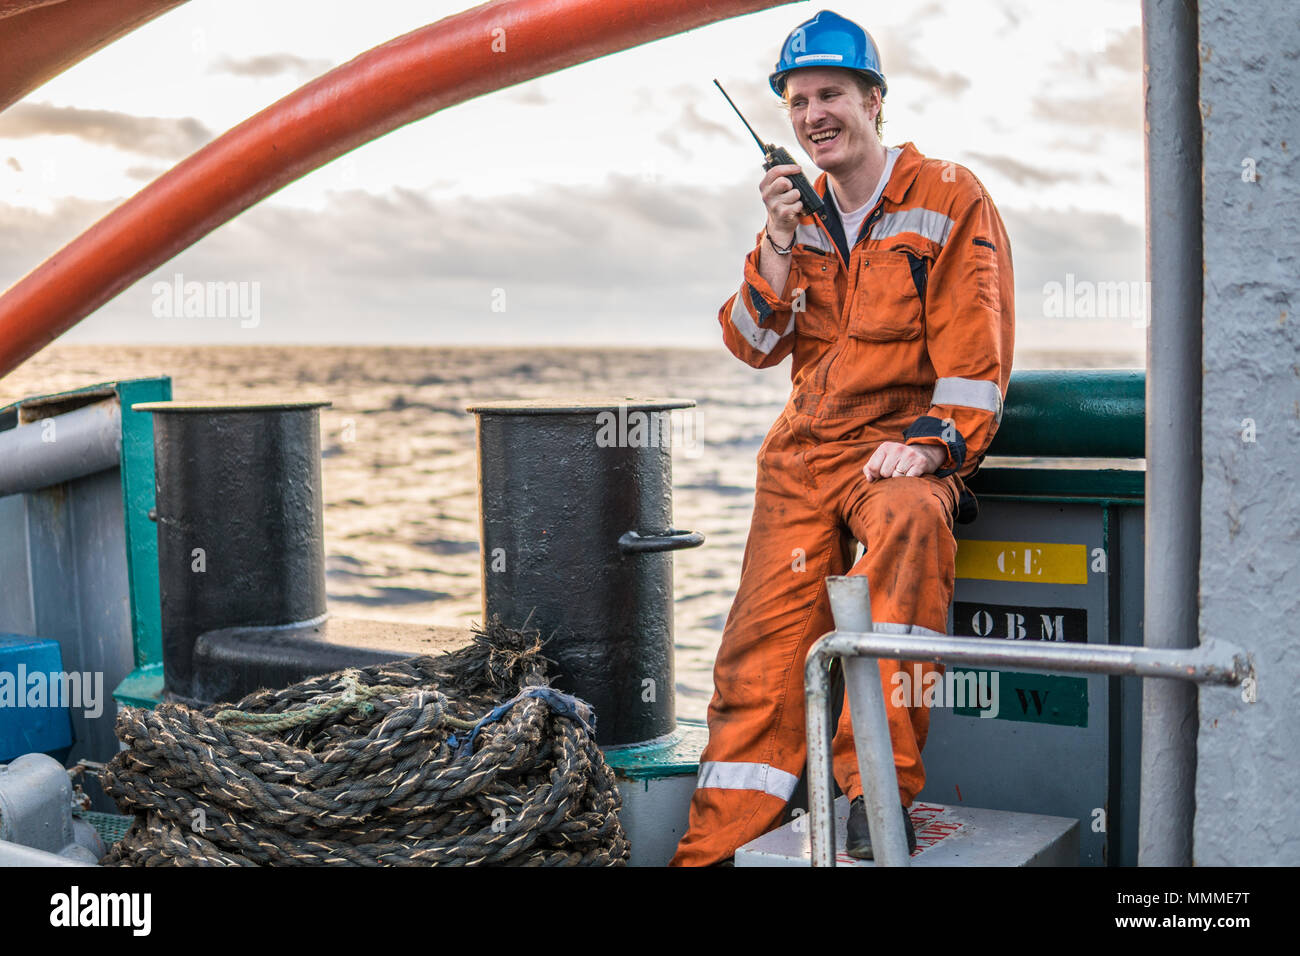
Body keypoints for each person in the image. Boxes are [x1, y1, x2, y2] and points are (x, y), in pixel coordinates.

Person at [669, 9, 1014, 866]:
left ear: (875, 100)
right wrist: (779, 243)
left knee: (908, 520)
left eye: (830, 94)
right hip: (802, 462)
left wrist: (933, 446)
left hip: (895, 451)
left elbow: (978, 356)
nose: (813, 114)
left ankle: (873, 797)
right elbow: (751, 344)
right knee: (756, 665)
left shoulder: (947, 195)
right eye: (796, 101)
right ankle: (714, 851)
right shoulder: (800, 215)